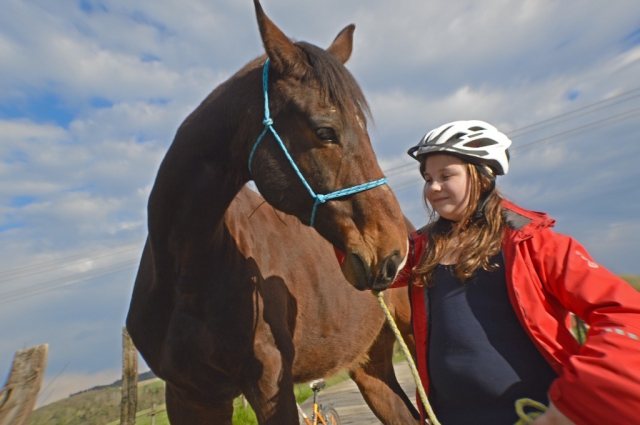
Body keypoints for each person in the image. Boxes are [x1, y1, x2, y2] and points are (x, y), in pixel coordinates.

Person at [391, 120, 640, 425]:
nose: (433, 188)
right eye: (428, 179)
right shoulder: (418, 251)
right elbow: (362, 266)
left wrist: (579, 401)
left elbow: (626, 314)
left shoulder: (534, 242)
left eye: (446, 176)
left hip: (535, 414)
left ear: (482, 178)